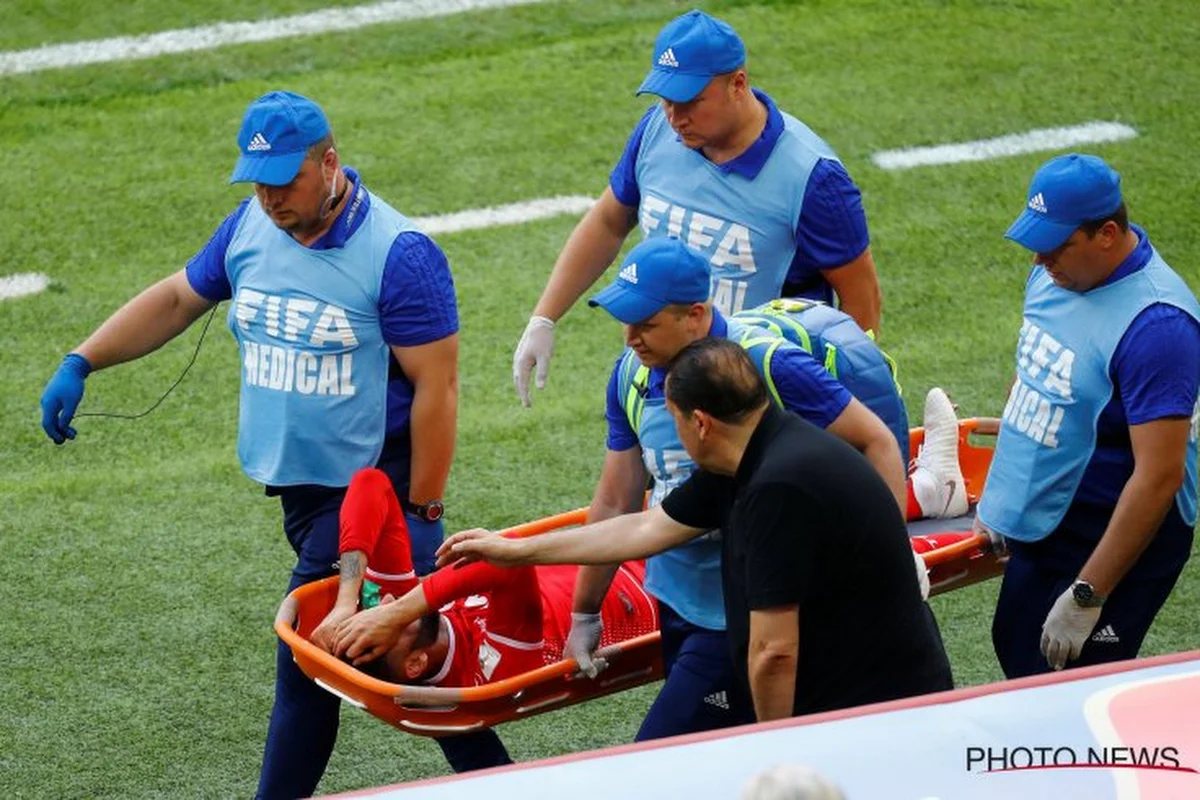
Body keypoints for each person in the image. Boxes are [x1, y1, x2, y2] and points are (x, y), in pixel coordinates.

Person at [35, 91, 503, 797]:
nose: (270, 196)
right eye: (258, 181)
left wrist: (423, 512)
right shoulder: (250, 226)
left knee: (308, 671)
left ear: (331, 164)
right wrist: (83, 359)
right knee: (412, 685)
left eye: (285, 179)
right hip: (305, 495)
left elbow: (438, 391)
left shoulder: (400, 256)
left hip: (367, 499)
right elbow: (175, 299)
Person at [441, 338, 954, 723]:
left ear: (702, 422)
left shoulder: (777, 490)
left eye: (676, 420)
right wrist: (514, 550)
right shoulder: (753, 455)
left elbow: (774, 650)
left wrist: (776, 751)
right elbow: (640, 530)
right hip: (859, 698)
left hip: (872, 710)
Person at [567, 236, 908, 740]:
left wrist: (892, 562)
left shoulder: (770, 365)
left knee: (657, 760)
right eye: (625, 320)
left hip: (749, 607)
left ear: (696, 315)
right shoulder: (631, 377)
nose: (629, 337)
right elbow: (618, 500)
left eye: (646, 323)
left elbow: (874, 441)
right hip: (677, 599)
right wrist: (584, 610)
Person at [513, 9, 882, 407]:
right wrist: (544, 317)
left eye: (689, 102)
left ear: (737, 84)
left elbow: (862, 301)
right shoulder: (656, 130)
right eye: (666, 101)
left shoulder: (812, 177)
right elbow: (608, 221)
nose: (675, 118)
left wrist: (833, 400)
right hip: (664, 383)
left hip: (758, 400)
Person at [977, 153, 1200, 677]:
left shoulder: (1159, 327)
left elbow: (1159, 475)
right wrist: (1005, 488)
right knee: (1015, 647)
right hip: (1051, 518)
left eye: (1055, 246)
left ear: (1105, 234)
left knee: (1068, 688)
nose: (1039, 261)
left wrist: (1087, 594)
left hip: (1113, 534)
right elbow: (1034, 369)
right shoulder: (1058, 276)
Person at [321, 469, 658, 684]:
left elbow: (370, 484)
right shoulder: (489, 672)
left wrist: (346, 602)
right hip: (663, 580)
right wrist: (394, 615)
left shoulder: (407, 614)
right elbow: (503, 562)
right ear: (414, 664)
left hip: (618, 536)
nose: (387, 602)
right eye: (378, 630)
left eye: (369, 618)